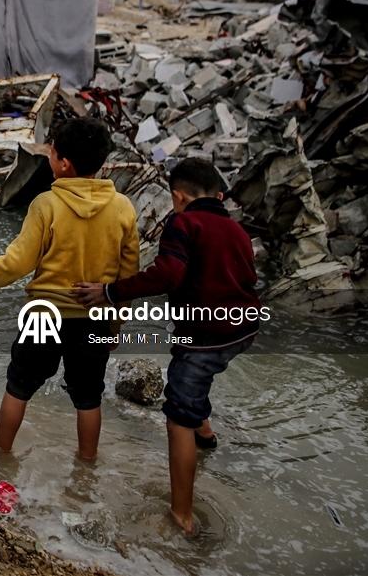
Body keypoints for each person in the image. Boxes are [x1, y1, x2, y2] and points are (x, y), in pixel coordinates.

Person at [72, 157, 261, 538]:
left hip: (205, 335)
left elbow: (168, 273)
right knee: (192, 382)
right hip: (244, 329)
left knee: (178, 416)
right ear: (219, 195)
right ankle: (207, 437)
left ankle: (182, 516)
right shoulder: (236, 229)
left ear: (177, 196)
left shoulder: (183, 222)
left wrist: (109, 292)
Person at [0, 118, 140, 459]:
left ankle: (1, 456)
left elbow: (16, 264)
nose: (48, 158)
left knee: (18, 388)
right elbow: (128, 275)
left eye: (51, 153)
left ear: (64, 164)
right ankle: (86, 468)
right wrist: (116, 325)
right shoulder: (123, 208)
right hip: (94, 318)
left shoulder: (46, 205)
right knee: (89, 398)